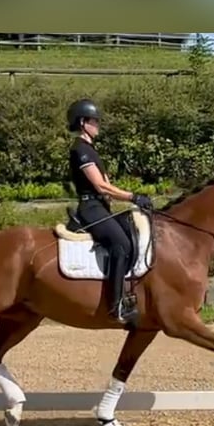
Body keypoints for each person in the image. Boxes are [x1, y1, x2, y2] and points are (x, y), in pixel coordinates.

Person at [66, 98, 154, 325]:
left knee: (131, 232)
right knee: (121, 244)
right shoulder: (80, 150)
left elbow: (107, 186)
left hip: (101, 206)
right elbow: (101, 186)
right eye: (94, 121)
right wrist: (133, 197)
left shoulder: (91, 149)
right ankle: (116, 306)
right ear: (83, 122)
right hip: (90, 208)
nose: (98, 125)